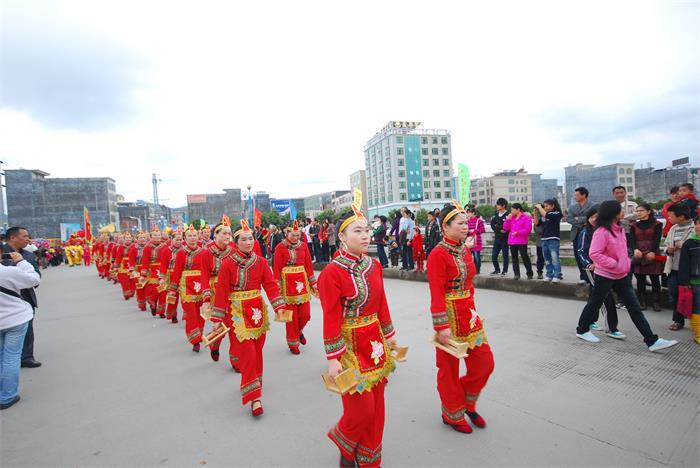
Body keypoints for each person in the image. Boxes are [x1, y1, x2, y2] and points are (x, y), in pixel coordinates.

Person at [318, 204, 398, 467]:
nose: (365, 236)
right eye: (357, 231)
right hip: (349, 346)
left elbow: (382, 302)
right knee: (360, 408)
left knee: (377, 408)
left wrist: (390, 334)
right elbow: (330, 315)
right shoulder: (332, 272)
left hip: (374, 341)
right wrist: (333, 357)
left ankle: (368, 459)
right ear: (342, 237)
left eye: (367, 230)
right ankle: (345, 440)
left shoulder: (373, 265)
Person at [427, 201, 494, 434]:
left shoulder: (464, 249)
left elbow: (469, 285)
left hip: (469, 314)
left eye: (467, 222)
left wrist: (473, 310)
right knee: (448, 370)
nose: (466, 227)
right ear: (446, 226)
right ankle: (452, 412)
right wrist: (441, 325)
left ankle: (466, 402)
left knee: (485, 364)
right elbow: (436, 292)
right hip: (449, 317)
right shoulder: (437, 254)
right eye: (461, 223)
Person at [575, 201, 678, 352]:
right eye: (620, 210)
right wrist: (614, 264)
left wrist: (625, 263)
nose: (623, 211)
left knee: (634, 307)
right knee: (595, 303)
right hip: (605, 274)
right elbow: (594, 253)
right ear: (613, 213)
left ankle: (652, 340)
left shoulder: (620, 229)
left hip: (621, 274)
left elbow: (623, 251)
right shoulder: (602, 231)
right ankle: (582, 330)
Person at [211, 220, 288, 417]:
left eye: (250, 239)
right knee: (248, 354)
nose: (248, 242)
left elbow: (270, 286)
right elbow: (221, 291)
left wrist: (279, 306)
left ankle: (253, 382)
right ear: (235, 242)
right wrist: (217, 318)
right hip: (237, 314)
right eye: (243, 239)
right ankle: (255, 398)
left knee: (258, 351)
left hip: (257, 312)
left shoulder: (261, 263)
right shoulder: (228, 264)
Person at [0, 251, 41, 410]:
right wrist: (21, 261)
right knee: (11, 356)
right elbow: (33, 279)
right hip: (14, 318)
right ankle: (7, 395)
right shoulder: (7, 271)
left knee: (2, 356)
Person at [575, 207, 623, 338]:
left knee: (594, 297)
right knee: (605, 297)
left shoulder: (607, 231)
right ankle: (612, 327)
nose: (594, 220)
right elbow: (581, 251)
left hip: (607, 268)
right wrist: (588, 264)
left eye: (596, 217)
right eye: (591, 217)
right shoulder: (586, 233)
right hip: (593, 269)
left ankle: (590, 321)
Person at [273, 220, 318, 355]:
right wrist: (277, 288)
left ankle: (298, 332)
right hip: (287, 285)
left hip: (302, 283)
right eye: (293, 235)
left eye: (298, 235)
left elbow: (309, 266)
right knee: (291, 317)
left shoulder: (303, 246)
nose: (295, 238)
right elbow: (277, 269)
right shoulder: (280, 247)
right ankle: (292, 343)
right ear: (286, 233)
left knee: (306, 315)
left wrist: (313, 283)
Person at [1, 227, 41, 369]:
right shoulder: (2, 252)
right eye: (25, 236)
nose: (28, 239)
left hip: (25, 295)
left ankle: (27, 356)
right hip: (6, 299)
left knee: (28, 328)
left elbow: (36, 275)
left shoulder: (28, 255)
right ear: (13, 237)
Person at [199, 217, 236, 365]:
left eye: (229, 234)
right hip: (216, 293)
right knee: (220, 324)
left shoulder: (234, 251)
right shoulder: (207, 254)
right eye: (224, 233)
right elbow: (204, 277)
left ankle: (236, 361)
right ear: (216, 235)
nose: (227, 236)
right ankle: (215, 344)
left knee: (234, 326)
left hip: (232, 293)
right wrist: (206, 299)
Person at [167, 225, 206, 351]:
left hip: (200, 285)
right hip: (186, 286)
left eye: (194, 235)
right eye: (189, 235)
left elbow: (207, 272)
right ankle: (194, 339)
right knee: (190, 313)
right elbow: (177, 272)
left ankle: (199, 334)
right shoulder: (180, 253)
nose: (192, 238)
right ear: (185, 238)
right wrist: (173, 290)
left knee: (201, 313)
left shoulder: (204, 252)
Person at [664, 204, 694, 331]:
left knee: (692, 296)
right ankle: (678, 320)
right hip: (673, 267)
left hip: (689, 269)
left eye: (671, 215)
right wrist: (668, 250)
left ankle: (694, 321)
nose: (669, 218)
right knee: (674, 295)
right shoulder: (673, 228)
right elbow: (666, 245)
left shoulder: (694, 228)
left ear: (681, 216)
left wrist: (680, 245)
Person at [630, 203, 663, 311]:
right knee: (640, 278)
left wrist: (653, 251)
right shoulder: (633, 225)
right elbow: (631, 240)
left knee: (654, 278)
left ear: (648, 211)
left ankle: (656, 302)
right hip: (639, 252)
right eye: (637, 211)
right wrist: (635, 249)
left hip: (652, 252)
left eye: (641, 210)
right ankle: (641, 302)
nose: (639, 213)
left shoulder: (657, 224)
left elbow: (657, 239)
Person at [678, 217, 700, 344]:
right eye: (697, 224)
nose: (698, 227)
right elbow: (684, 265)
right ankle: (698, 333)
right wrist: (685, 282)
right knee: (697, 308)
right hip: (695, 282)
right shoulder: (689, 244)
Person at [567, 187, 595, 284]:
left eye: (577, 195)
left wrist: (578, 219)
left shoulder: (593, 205)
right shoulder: (572, 207)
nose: (575, 197)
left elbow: (593, 218)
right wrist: (583, 221)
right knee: (578, 255)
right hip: (576, 233)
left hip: (589, 233)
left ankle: (592, 276)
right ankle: (583, 276)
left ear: (583, 195)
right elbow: (569, 219)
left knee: (589, 254)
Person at [140, 227, 167, 317]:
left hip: (163, 271)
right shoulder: (147, 248)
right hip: (151, 272)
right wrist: (143, 274)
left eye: (158, 235)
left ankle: (161, 311)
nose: (157, 237)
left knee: (163, 291)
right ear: (151, 237)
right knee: (152, 290)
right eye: (154, 235)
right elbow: (145, 261)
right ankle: (153, 303)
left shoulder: (165, 247)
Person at [534, 199, 563, 283]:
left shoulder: (557, 213)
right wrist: (535, 213)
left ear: (553, 206)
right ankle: (549, 274)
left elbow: (546, 214)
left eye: (547, 206)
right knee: (547, 259)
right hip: (544, 239)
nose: (545, 207)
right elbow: (536, 223)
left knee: (554, 258)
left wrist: (540, 207)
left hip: (553, 239)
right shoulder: (544, 216)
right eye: (544, 206)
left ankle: (557, 275)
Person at [158, 229, 184, 323]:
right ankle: (173, 314)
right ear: (172, 240)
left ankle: (187, 315)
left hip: (183, 275)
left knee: (185, 296)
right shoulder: (166, 251)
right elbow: (163, 265)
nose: (179, 241)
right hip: (171, 275)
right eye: (177, 240)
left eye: (180, 240)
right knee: (173, 295)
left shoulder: (185, 250)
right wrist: (162, 277)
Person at [503, 203, 533, 280]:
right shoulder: (511, 218)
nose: (511, 211)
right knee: (514, 257)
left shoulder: (526, 217)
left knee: (524, 256)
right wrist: (508, 219)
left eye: (512, 210)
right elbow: (505, 228)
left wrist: (518, 232)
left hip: (522, 240)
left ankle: (529, 273)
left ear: (518, 209)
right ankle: (516, 274)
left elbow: (528, 230)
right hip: (512, 240)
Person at [128, 231, 149, 312]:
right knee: (140, 287)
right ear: (137, 239)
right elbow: (131, 261)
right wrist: (132, 270)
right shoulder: (133, 249)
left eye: (144, 237)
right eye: (140, 238)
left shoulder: (149, 247)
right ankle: (142, 303)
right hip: (137, 269)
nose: (142, 239)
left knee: (148, 286)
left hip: (147, 269)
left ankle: (149, 299)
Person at [489, 198, 510, 276]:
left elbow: (508, 226)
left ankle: (505, 271)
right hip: (497, 238)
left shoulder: (508, 215)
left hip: (505, 238)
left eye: (498, 204)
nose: (497, 206)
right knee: (494, 255)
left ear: (503, 205)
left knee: (505, 255)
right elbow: (492, 225)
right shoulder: (496, 214)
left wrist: (500, 227)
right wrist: (499, 229)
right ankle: (497, 269)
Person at [114, 232, 136, 301]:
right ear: (124, 239)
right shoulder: (121, 247)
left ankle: (132, 290)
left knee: (132, 279)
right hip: (123, 265)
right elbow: (119, 257)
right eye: (126, 238)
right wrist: (117, 264)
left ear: (132, 239)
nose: (128, 239)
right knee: (124, 280)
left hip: (132, 264)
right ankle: (126, 292)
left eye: (129, 238)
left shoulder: (134, 246)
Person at [466, 207, 485, 275]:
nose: (467, 214)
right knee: (468, 257)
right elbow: (465, 230)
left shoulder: (479, 221)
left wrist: (474, 231)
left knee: (476, 257)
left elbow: (482, 230)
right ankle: (471, 270)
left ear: (473, 213)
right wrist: (468, 232)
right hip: (469, 242)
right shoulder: (467, 221)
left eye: (469, 212)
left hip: (477, 242)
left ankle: (477, 270)